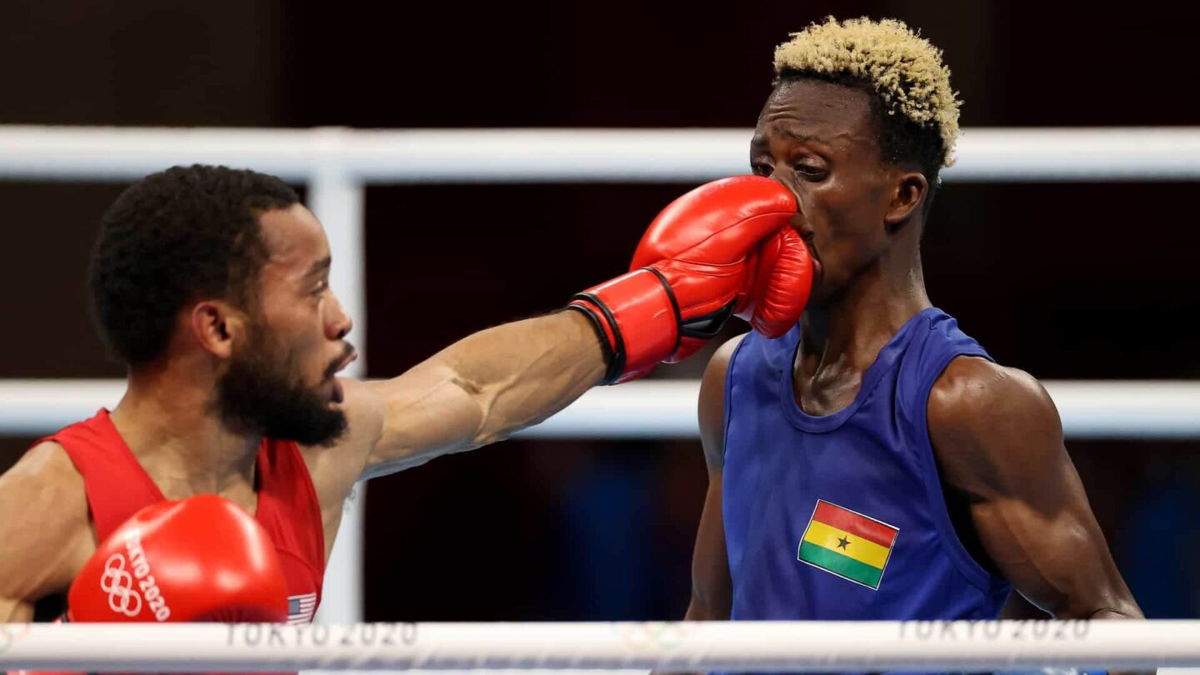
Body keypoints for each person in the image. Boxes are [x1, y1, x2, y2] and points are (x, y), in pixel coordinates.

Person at [0, 168, 814, 624]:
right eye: (313, 288)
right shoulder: (48, 503)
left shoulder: (316, 447)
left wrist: (655, 306)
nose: (341, 317)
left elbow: (477, 388)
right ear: (218, 327)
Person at [683, 16, 1143, 638]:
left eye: (810, 170)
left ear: (901, 197)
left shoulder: (965, 403)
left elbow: (1106, 618)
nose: (771, 200)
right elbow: (708, 618)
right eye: (763, 166)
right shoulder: (733, 377)